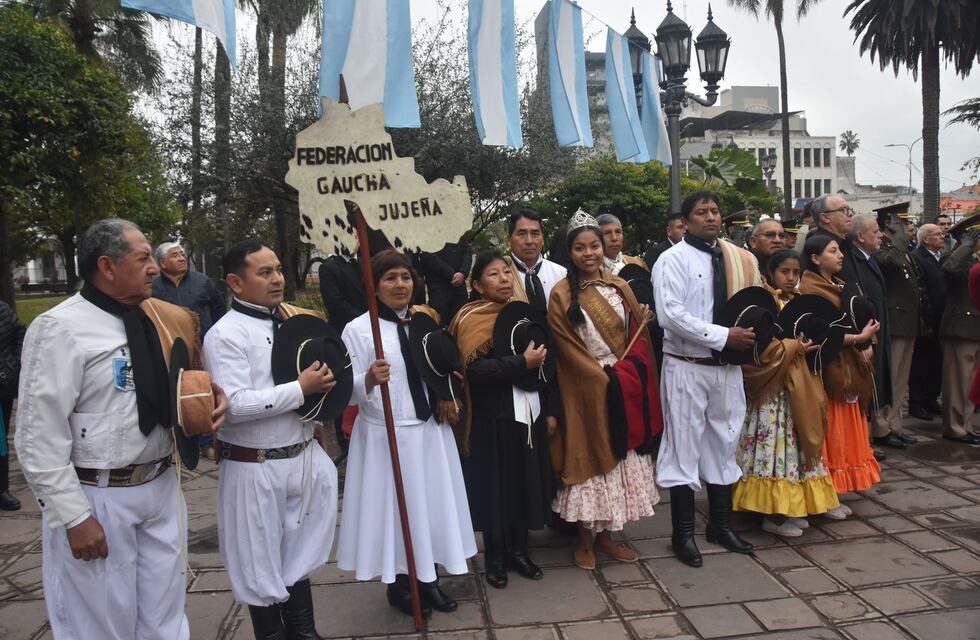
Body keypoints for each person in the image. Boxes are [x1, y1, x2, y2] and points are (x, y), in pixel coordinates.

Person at [15, 218, 228, 640]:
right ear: (107, 266)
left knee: (165, 618)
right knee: (99, 623)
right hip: (99, 496)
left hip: (162, 485)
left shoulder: (161, 317)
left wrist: (206, 398)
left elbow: (176, 384)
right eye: (143, 257)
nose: (155, 267)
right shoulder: (60, 328)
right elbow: (37, 435)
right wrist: (73, 516)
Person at [202, 240, 339, 638]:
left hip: (301, 455)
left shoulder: (294, 323)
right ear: (235, 282)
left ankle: (304, 631)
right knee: (258, 563)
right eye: (265, 272)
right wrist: (301, 388)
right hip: (254, 464)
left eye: (278, 269)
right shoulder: (225, 335)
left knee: (299, 556)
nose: (277, 278)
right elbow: (236, 405)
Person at [338, 250, 477, 617]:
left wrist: (450, 377)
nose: (400, 285)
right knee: (397, 512)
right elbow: (343, 391)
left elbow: (436, 367)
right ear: (374, 285)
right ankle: (400, 585)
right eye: (390, 278)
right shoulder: (358, 330)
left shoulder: (424, 320)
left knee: (427, 507)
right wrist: (367, 379)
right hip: (388, 435)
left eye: (405, 277)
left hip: (429, 431)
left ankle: (428, 580)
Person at [652, 191, 762, 568]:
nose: (711, 217)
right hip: (687, 365)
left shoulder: (734, 259)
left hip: (727, 369)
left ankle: (720, 525)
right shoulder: (673, 259)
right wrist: (722, 335)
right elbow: (670, 315)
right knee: (683, 446)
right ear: (686, 221)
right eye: (702, 212)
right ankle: (682, 534)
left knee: (724, 442)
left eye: (715, 211)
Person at [548, 210, 662, 570]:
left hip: (621, 379)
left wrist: (629, 370)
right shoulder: (562, 294)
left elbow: (636, 338)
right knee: (590, 459)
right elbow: (565, 346)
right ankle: (584, 540)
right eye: (580, 248)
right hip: (585, 386)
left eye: (594, 246)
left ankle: (609, 537)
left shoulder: (620, 286)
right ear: (570, 253)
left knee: (620, 457)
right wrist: (599, 377)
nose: (589, 253)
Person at [449, 250, 553, 589]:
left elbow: (547, 365)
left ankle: (519, 552)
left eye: (507, 272)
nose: (504, 279)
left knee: (523, 479)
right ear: (477, 285)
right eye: (493, 274)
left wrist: (550, 409)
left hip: (526, 413)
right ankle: (494, 556)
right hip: (491, 416)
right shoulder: (471, 319)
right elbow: (473, 371)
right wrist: (521, 363)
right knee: (496, 486)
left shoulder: (524, 314)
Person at [733, 250, 840, 537]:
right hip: (772, 392)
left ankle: (796, 504)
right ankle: (772, 512)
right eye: (785, 272)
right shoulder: (764, 303)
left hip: (799, 385)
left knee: (796, 445)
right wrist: (795, 347)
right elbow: (762, 350)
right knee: (773, 447)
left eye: (796, 272)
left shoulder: (800, 303)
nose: (791, 277)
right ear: (771, 274)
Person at [799, 235, 881, 512]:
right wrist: (859, 338)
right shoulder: (811, 288)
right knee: (831, 432)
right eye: (832, 251)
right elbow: (821, 334)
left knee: (846, 430)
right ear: (814, 257)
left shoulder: (840, 285)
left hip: (849, 367)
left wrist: (867, 341)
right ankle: (826, 492)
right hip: (829, 371)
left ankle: (834, 491)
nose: (840, 256)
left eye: (839, 251)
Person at [872, 210, 921, 447]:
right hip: (895, 321)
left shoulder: (900, 247)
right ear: (888, 226)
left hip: (907, 322)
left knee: (901, 379)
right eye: (902, 223)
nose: (907, 227)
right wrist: (899, 236)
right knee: (889, 377)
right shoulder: (883, 247)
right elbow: (891, 262)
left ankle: (894, 424)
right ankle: (881, 425)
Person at [848, 214, 896, 448]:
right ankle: (864, 439)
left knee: (880, 382)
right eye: (875, 231)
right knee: (867, 386)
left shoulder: (870, 258)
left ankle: (877, 432)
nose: (880, 235)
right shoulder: (854, 259)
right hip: (866, 333)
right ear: (860, 236)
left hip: (878, 328)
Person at [938, 220, 980, 445]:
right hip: (960, 328)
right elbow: (948, 269)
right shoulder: (954, 257)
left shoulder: (974, 259)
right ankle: (954, 427)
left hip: (974, 328)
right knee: (957, 381)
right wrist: (963, 246)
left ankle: (966, 424)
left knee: (971, 382)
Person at [909, 224, 948, 419]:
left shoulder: (942, 256)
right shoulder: (918, 257)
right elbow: (922, 290)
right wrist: (928, 318)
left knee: (936, 362)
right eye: (938, 234)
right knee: (922, 363)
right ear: (925, 239)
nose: (943, 236)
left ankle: (931, 398)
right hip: (927, 319)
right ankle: (917, 403)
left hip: (942, 318)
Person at [151, 242, 227, 336]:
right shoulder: (153, 288)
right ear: (163, 263)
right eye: (175, 256)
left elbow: (219, 311)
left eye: (182, 254)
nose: (182, 259)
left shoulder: (202, 281)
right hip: (171, 345)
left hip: (204, 344)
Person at [504, 209, 567, 314]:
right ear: (509, 240)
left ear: (542, 240)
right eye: (522, 234)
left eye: (535, 234)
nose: (529, 241)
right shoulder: (499, 276)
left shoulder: (561, 274)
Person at [0, 299, 26, 510]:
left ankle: (2, 489)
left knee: (1, 440)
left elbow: (19, 333)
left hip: (2, 383)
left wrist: (13, 362)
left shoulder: (2, 308)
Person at [419, 235, 473, 327]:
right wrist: (451, 275)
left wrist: (463, 272)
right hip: (438, 286)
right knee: (437, 324)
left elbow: (467, 252)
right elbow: (427, 255)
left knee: (461, 324)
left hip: (459, 286)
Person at [318, 253, 367, 334]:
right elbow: (334, 302)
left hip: (373, 328)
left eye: (355, 239)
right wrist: (364, 319)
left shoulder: (369, 263)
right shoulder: (329, 268)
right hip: (345, 329)